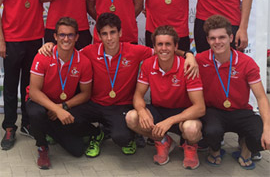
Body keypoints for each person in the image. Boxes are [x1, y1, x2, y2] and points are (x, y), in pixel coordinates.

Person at [39, 13, 198, 158]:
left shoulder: (134, 50)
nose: (109, 38)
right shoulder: (89, 51)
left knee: (121, 137)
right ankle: (96, 135)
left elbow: (163, 50)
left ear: (120, 33)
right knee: (65, 118)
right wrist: (50, 46)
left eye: (113, 32)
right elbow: (67, 50)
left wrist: (188, 55)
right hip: (94, 104)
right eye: (104, 34)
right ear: (99, 36)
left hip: (121, 106)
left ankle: (131, 137)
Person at [126, 25, 205, 169]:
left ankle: (190, 147)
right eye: (160, 44)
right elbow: (138, 95)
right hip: (159, 110)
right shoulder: (148, 64)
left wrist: (170, 121)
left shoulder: (188, 66)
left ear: (175, 46)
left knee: (191, 129)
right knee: (132, 118)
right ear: (154, 48)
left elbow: (200, 107)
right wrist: (142, 111)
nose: (164, 48)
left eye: (168, 44)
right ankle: (163, 141)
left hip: (183, 114)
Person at [196, 15, 270, 169]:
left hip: (241, 110)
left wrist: (268, 128)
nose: (217, 42)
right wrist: (189, 56)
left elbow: (262, 98)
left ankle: (245, 148)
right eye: (213, 38)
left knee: (260, 137)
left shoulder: (247, 63)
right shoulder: (200, 60)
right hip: (214, 111)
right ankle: (215, 151)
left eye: (222, 37)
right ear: (208, 40)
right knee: (211, 131)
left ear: (231, 38)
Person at [26, 17, 97, 169]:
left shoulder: (83, 62)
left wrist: (63, 106)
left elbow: (86, 94)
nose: (66, 39)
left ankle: (47, 130)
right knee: (36, 113)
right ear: (55, 37)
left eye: (70, 35)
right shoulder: (43, 56)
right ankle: (42, 147)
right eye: (62, 35)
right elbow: (33, 92)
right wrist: (56, 109)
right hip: (41, 103)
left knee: (77, 150)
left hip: (63, 105)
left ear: (76, 37)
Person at [0, 0, 44, 150]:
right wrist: (1, 40)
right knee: (10, 85)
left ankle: (28, 122)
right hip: (13, 39)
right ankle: (9, 127)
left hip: (35, 38)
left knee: (30, 86)